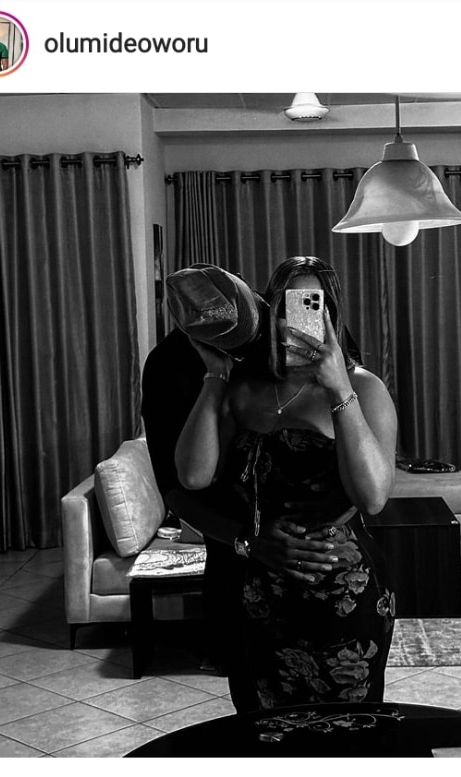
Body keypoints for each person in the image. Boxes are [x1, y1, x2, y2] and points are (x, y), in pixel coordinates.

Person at [175, 256, 398, 708]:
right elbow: (193, 477)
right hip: (262, 590)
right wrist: (215, 375)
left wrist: (338, 389)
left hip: (343, 594)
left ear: (331, 313)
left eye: (310, 303)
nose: (296, 319)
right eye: (284, 304)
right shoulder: (244, 387)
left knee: (346, 732)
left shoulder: (364, 388)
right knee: (262, 725)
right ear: (267, 310)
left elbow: (373, 497)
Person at [142, 263, 339, 712]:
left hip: (323, 560)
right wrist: (247, 540)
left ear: (259, 301)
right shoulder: (171, 365)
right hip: (236, 560)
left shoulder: (305, 323)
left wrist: (323, 530)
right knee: (255, 711)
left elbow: (354, 451)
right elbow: (177, 487)